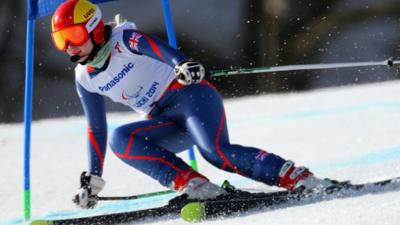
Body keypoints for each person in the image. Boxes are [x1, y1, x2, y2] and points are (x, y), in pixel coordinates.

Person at [50, 0, 334, 209]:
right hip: (164, 120)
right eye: (60, 40)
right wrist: (94, 177)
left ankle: (296, 177)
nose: (69, 48)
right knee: (121, 138)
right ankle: (195, 186)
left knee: (216, 153)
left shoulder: (125, 40)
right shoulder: (84, 77)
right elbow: (96, 128)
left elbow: (159, 49)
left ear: (95, 29)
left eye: (73, 36)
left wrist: (182, 64)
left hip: (190, 97)